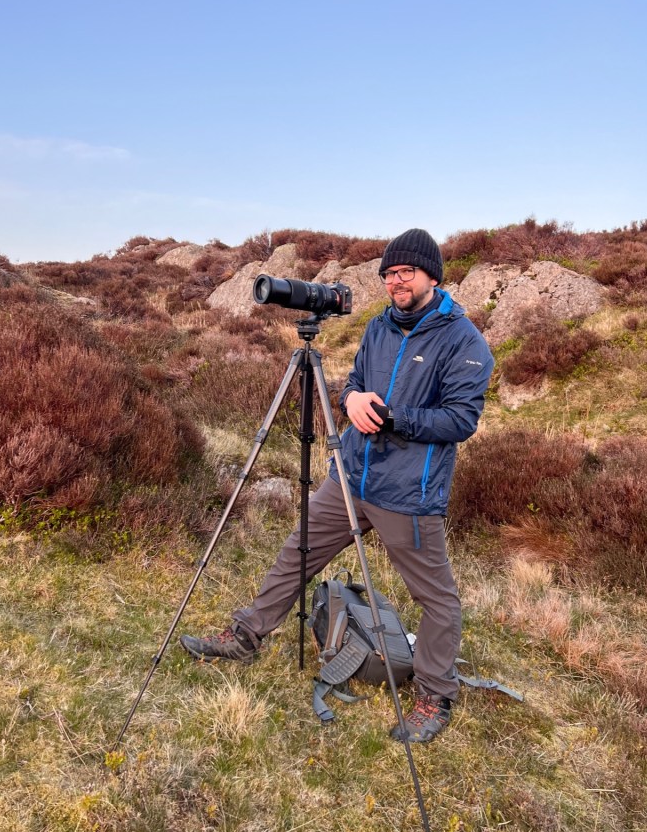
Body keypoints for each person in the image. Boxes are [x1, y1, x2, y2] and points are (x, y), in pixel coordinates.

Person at [181, 229, 494, 743]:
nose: (396, 281)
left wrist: (394, 419)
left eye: (406, 273)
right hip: (350, 476)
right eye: (389, 273)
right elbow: (354, 383)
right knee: (297, 550)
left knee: (436, 600)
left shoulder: (463, 341)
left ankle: (435, 694)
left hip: (407, 494)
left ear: (431, 276)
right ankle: (245, 635)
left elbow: (461, 420)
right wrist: (350, 401)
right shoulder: (379, 328)